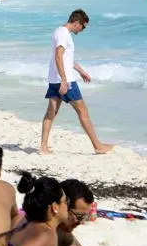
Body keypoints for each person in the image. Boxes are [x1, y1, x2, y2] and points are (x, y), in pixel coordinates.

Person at [40, 9, 113, 155]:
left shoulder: (59, 31)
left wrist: (81, 71)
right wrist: (65, 81)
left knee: (51, 112)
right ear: (77, 22)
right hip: (65, 81)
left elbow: (67, 59)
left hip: (55, 79)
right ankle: (98, 146)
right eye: (83, 26)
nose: (83, 30)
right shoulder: (63, 34)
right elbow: (58, 57)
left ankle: (43, 147)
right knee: (82, 111)